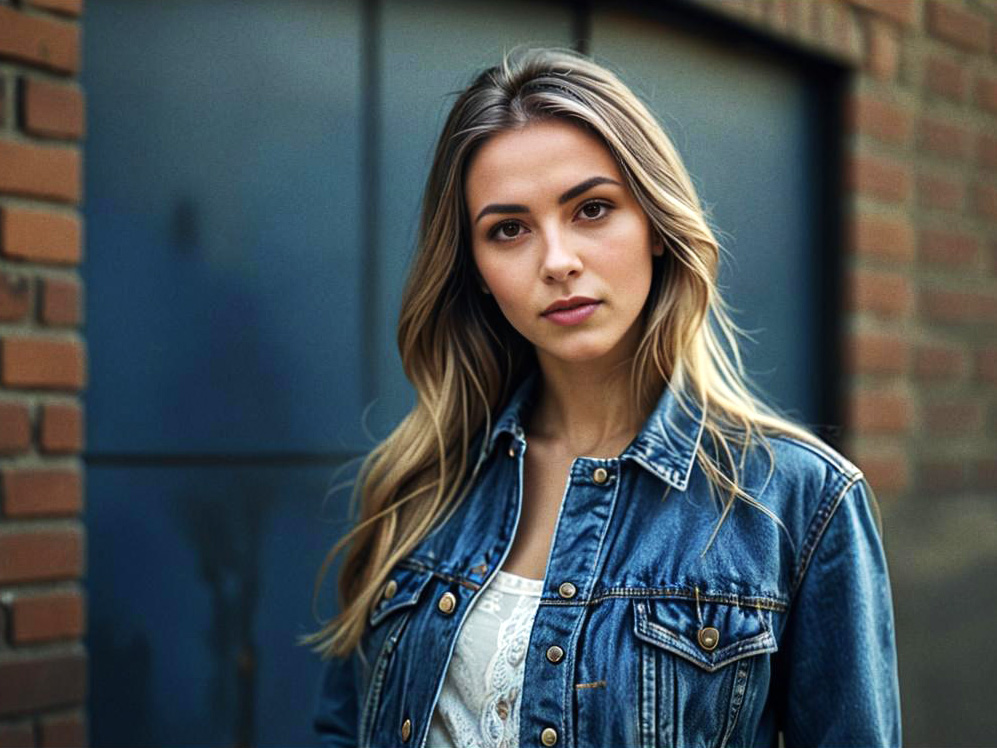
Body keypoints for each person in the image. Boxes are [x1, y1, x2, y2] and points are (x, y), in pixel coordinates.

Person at [301, 46, 902, 748]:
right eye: (508, 229)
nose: (556, 261)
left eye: (591, 209)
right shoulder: (419, 486)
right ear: (478, 271)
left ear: (654, 225)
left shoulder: (800, 503)